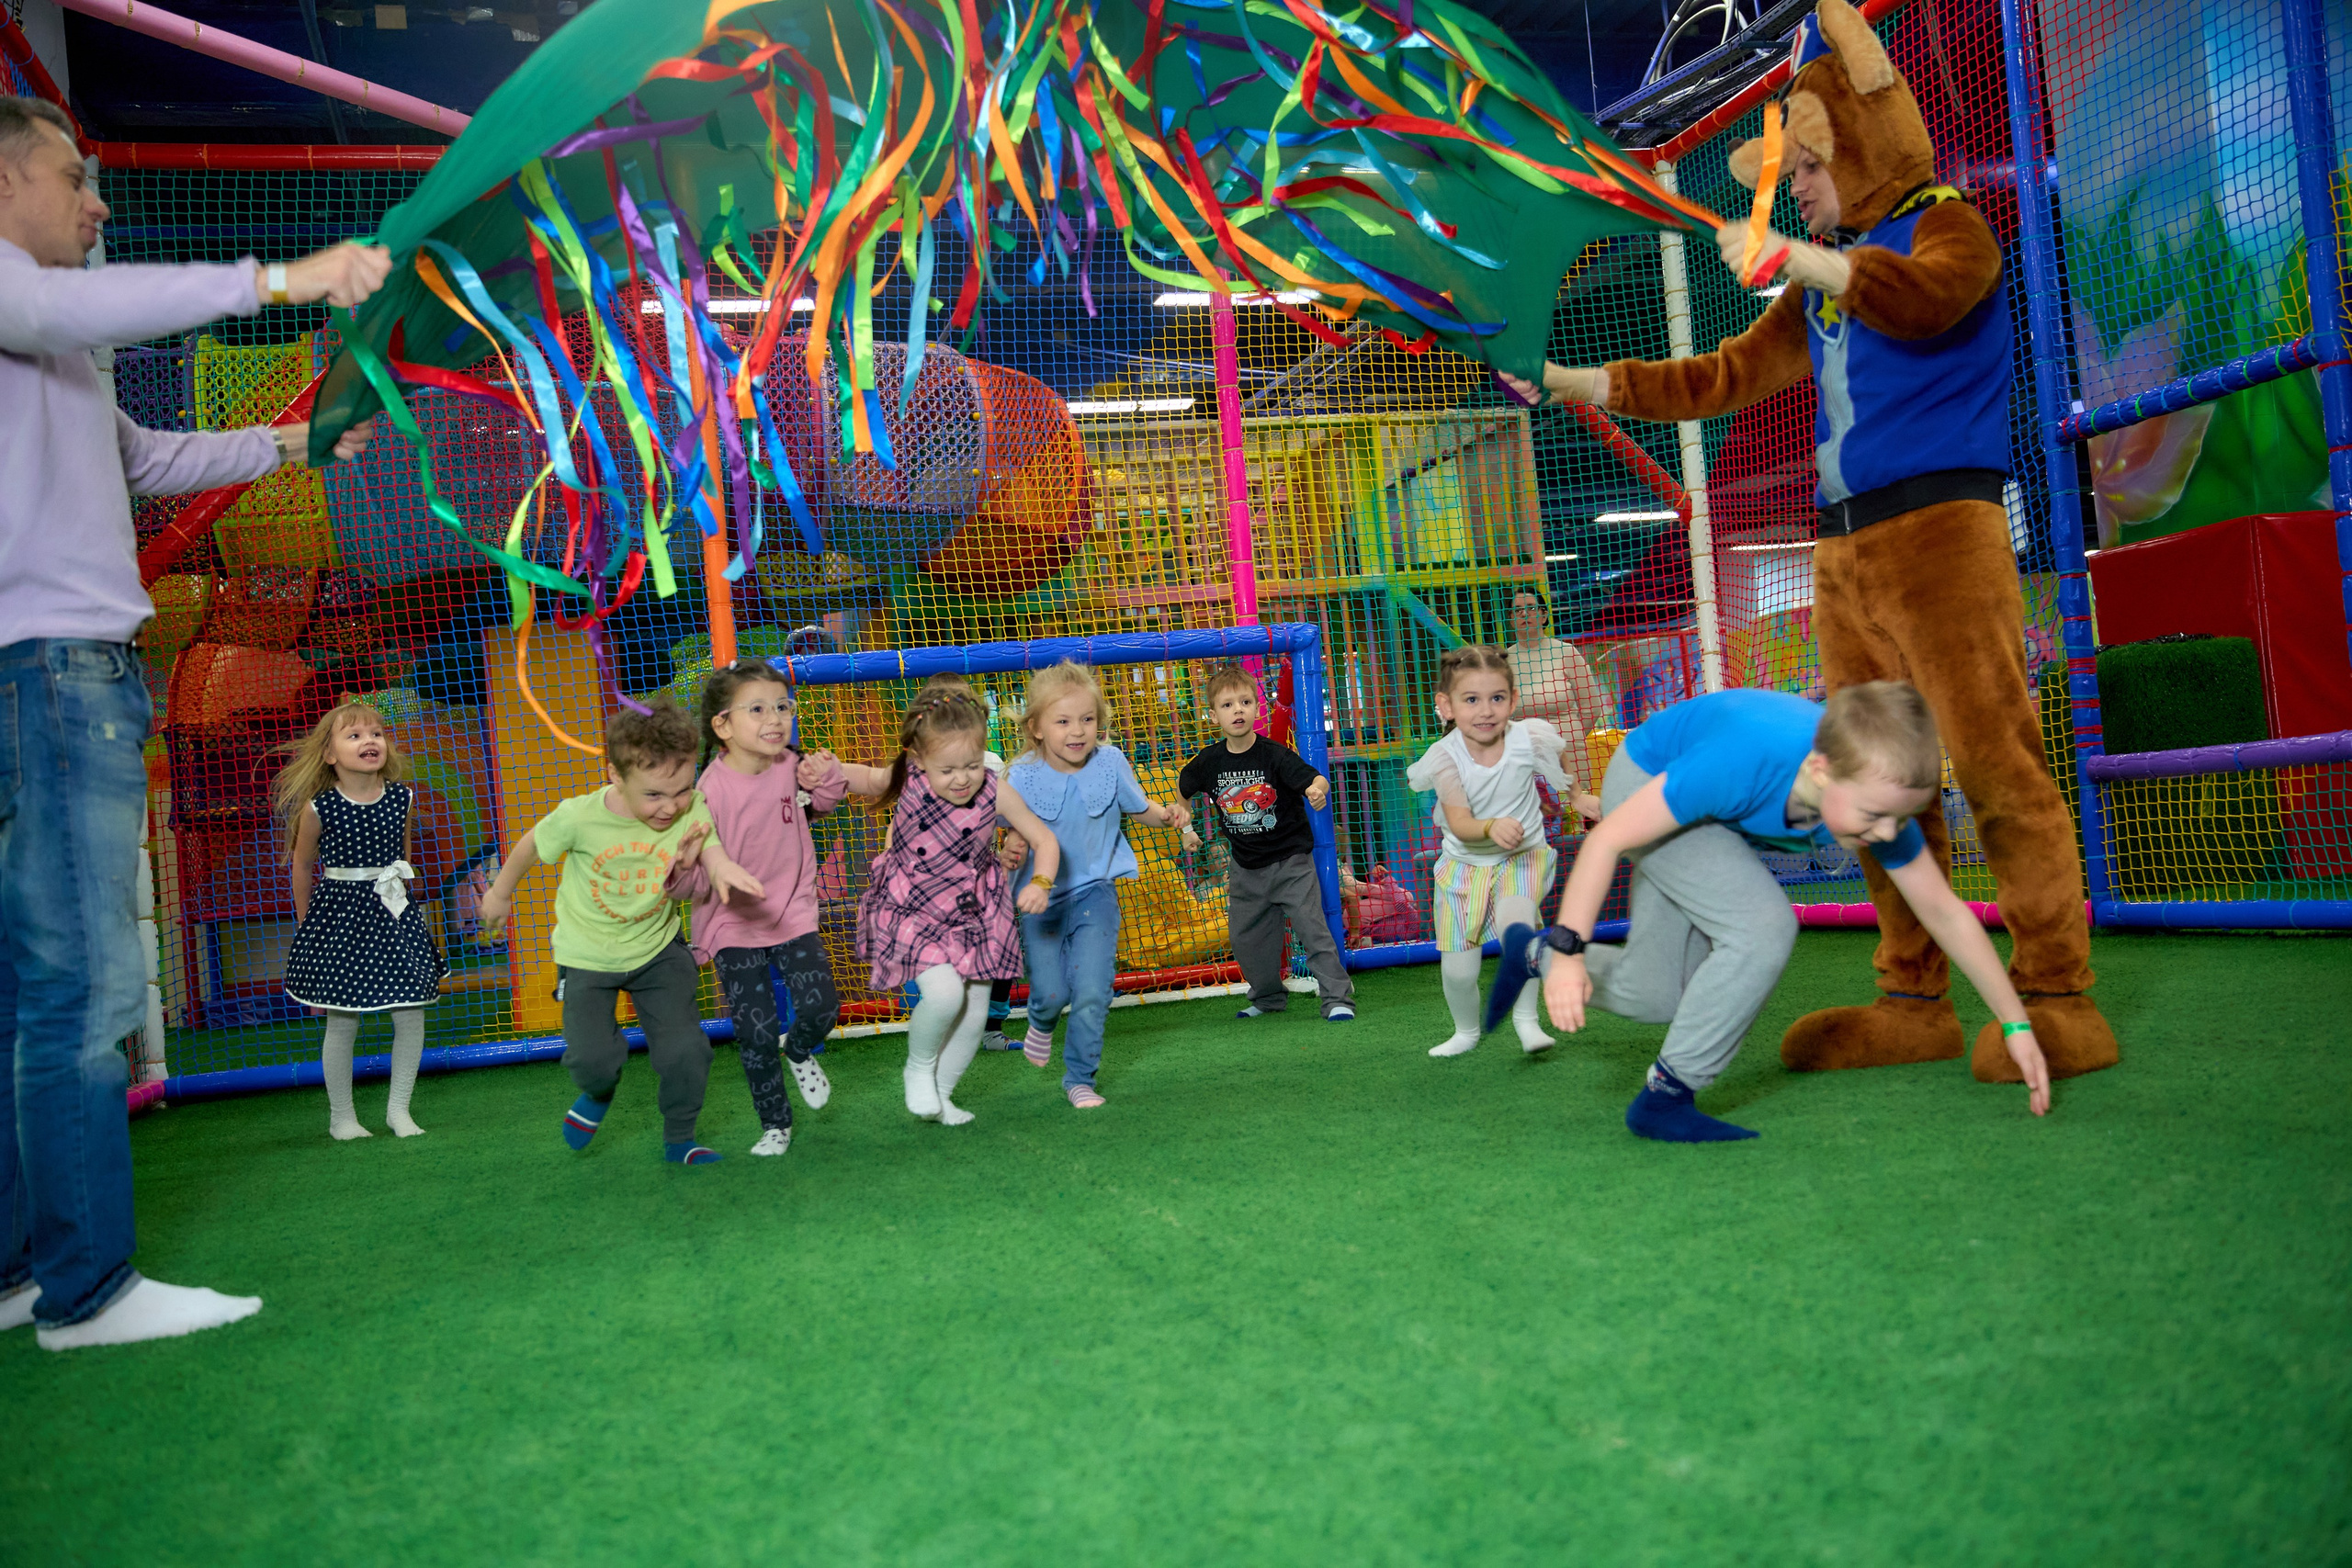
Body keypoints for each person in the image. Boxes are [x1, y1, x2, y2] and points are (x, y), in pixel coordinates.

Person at [1496, 0, 2117, 1085]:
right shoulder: (1819, 279)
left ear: (1863, 143)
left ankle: (2055, 996)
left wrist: (1801, 260)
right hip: (1842, 554)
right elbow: (1718, 377)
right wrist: (1561, 381)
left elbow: (1929, 301)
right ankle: (1910, 997)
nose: (1803, 191)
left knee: (1994, 764)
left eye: (1815, 169)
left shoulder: (1946, 226)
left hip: (1944, 536)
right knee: (1871, 780)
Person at [0, 94, 392, 1348]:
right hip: (48, 674)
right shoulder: (26, 303)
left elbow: (145, 459)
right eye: (72, 177)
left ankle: (22, 1272)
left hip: (49, 674)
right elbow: (76, 307)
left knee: (30, 984)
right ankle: (87, 1293)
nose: (96, 202)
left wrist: (294, 442)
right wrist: (285, 278)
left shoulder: (46, 341)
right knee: (82, 983)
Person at [1483, 682, 2054, 1144]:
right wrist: (1569, 949)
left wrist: (2016, 1025)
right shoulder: (1748, 763)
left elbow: (1945, 913)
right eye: (1875, 816)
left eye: (1899, 819)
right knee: (1762, 926)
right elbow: (1607, 839)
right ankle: (1665, 1098)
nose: (1887, 834)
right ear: (1822, 771)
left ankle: (1526, 952)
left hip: (1713, 806)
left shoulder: (1874, 793)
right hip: (1650, 776)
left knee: (1655, 996)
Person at [476, 701, 763, 1166]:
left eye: (681, 790)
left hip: (658, 948)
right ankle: (598, 1090)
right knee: (592, 1060)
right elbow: (531, 844)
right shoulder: (580, 816)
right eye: (654, 795)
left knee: (686, 1051)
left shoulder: (691, 808)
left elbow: (708, 844)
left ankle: (681, 1139)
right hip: (587, 953)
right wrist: (499, 893)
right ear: (615, 775)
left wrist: (722, 867)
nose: (670, 806)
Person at [857, 686, 1059, 1124]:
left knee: (974, 1014)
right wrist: (810, 771)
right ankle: (919, 1068)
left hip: (975, 913)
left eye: (971, 765)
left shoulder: (993, 789)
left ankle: (943, 1096)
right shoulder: (909, 778)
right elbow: (861, 779)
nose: (962, 778)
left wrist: (1041, 882)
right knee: (947, 995)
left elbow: (1043, 838)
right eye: (947, 769)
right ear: (920, 759)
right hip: (917, 906)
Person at [1005, 661, 1189, 1109]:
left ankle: (1080, 1079)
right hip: (1042, 899)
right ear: (1036, 727)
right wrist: (1010, 845)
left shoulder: (1109, 762)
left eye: (1087, 719)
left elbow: (1139, 808)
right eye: (1063, 721)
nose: (1078, 731)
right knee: (1052, 993)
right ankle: (1041, 1019)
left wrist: (1166, 815)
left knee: (1093, 988)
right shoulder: (1022, 774)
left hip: (1096, 891)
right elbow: (1009, 826)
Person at [688, 659, 847, 1158]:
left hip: (791, 912)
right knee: (755, 1031)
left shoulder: (789, 765)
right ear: (723, 726)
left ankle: (797, 1049)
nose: (775, 719)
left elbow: (823, 804)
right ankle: (776, 1124)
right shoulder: (709, 791)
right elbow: (697, 867)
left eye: (782, 706)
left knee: (821, 1006)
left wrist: (825, 777)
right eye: (757, 709)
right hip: (733, 924)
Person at [277, 701, 447, 1141]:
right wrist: (307, 927)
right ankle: (342, 1119)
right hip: (341, 918)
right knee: (342, 1019)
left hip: (391, 913)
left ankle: (399, 1111)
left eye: (376, 733)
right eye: (354, 735)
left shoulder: (402, 798)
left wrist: (407, 915)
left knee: (410, 1011)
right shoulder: (321, 807)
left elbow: (402, 861)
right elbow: (302, 866)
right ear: (330, 754)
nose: (369, 741)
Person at [1404, 646, 1573, 1059]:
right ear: (1447, 706)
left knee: (1518, 928)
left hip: (1523, 856)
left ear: (1512, 701)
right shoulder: (1445, 758)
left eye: (1496, 698)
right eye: (1471, 700)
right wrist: (1491, 826)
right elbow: (1460, 822)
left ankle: (1527, 1021)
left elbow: (1560, 755)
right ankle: (1466, 1031)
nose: (1486, 711)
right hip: (1464, 865)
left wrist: (1577, 796)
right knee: (1460, 970)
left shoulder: (1527, 736)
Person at [1175, 662, 1354, 1023]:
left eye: (1245, 702)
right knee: (1246, 939)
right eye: (1227, 705)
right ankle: (1268, 998)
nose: (1237, 710)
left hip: (1291, 864)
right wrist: (1186, 829)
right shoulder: (1209, 761)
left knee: (1313, 932)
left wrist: (1316, 791)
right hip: (1246, 868)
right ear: (1214, 715)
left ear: (1257, 708)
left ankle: (1337, 998)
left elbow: (1316, 778)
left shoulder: (1274, 754)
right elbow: (1183, 789)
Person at [1505, 588, 1610, 809]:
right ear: (1511, 619)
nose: (1524, 614)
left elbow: (1592, 707)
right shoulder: (1503, 662)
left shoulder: (1567, 653)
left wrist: (1569, 737)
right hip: (1525, 759)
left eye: (1531, 608)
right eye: (1518, 610)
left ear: (1544, 615)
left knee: (1573, 819)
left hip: (1571, 755)